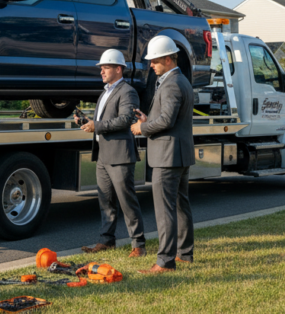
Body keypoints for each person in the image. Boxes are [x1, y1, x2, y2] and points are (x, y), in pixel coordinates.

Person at [131, 35, 195, 274]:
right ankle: (185, 255)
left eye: (155, 60)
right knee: (181, 206)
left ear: (169, 59)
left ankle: (165, 262)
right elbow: (172, 119)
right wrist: (149, 120)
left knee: (165, 209)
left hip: (167, 156)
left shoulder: (171, 84)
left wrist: (142, 128)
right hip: (179, 154)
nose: (151, 65)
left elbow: (167, 121)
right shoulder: (181, 81)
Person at [76, 49, 147, 258]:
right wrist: (85, 122)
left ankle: (139, 245)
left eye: (105, 67)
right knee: (105, 201)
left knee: (127, 201)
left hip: (120, 156)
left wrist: (96, 125)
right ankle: (107, 241)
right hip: (104, 155)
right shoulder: (105, 92)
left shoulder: (128, 91)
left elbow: (126, 120)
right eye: (101, 68)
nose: (101, 71)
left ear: (118, 68)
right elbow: (105, 119)